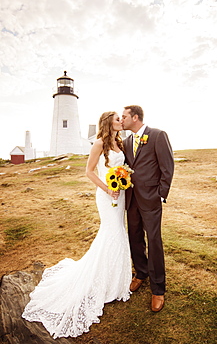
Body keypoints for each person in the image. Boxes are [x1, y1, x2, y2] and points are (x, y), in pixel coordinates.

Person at [22, 111, 132, 338]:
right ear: (108, 122)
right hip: (106, 194)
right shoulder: (99, 143)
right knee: (111, 233)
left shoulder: (119, 142)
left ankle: (115, 280)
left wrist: (121, 182)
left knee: (119, 233)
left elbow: (121, 168)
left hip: (119, 195)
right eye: (117, 119)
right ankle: (101, 280)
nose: (121, 121)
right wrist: (107, 188)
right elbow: (89, 172)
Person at [121, 105, 174, 312]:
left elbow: (167, 167)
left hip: (151, 198)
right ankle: (141, 273)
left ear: (135, 117)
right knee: (134, 237)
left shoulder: (158, 135)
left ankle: (158, 289)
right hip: (131, 197)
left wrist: (161, 194)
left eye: (124, 116)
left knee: (153, 240)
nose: (122, 119)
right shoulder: (125, 142)